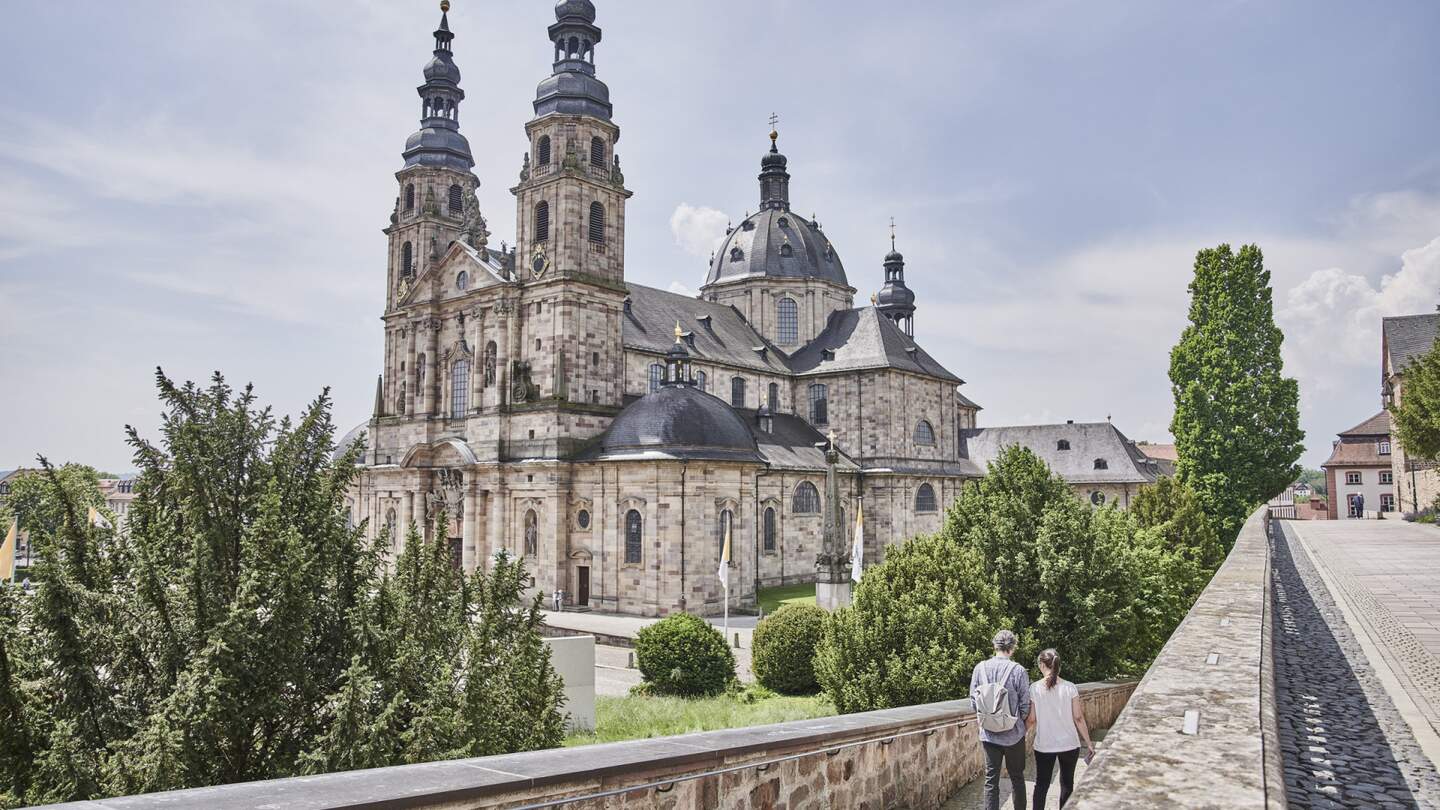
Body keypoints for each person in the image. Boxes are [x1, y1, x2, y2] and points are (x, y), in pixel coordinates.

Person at [1025, 649, 1094, 810]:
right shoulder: (1070, 687)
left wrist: (1019, 735)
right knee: (1067, 785)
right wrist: (1089, 743)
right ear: (1058, 665)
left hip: (1044, 745)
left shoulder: (1035, 688)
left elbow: (1032, 719)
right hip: (1069, 744)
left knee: (1041, 785)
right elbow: (1078, 718)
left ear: (1042, 665)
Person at [971, 629, 1031, 810]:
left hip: (989, 735)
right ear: (1012, 648)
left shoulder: (979, 668)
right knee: (1017, 778)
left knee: (991, 781)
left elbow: (973, 702)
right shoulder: (1018, 670)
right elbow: (1025, 705)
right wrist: (1016, 722)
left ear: (994, 646)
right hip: (1013, 735)